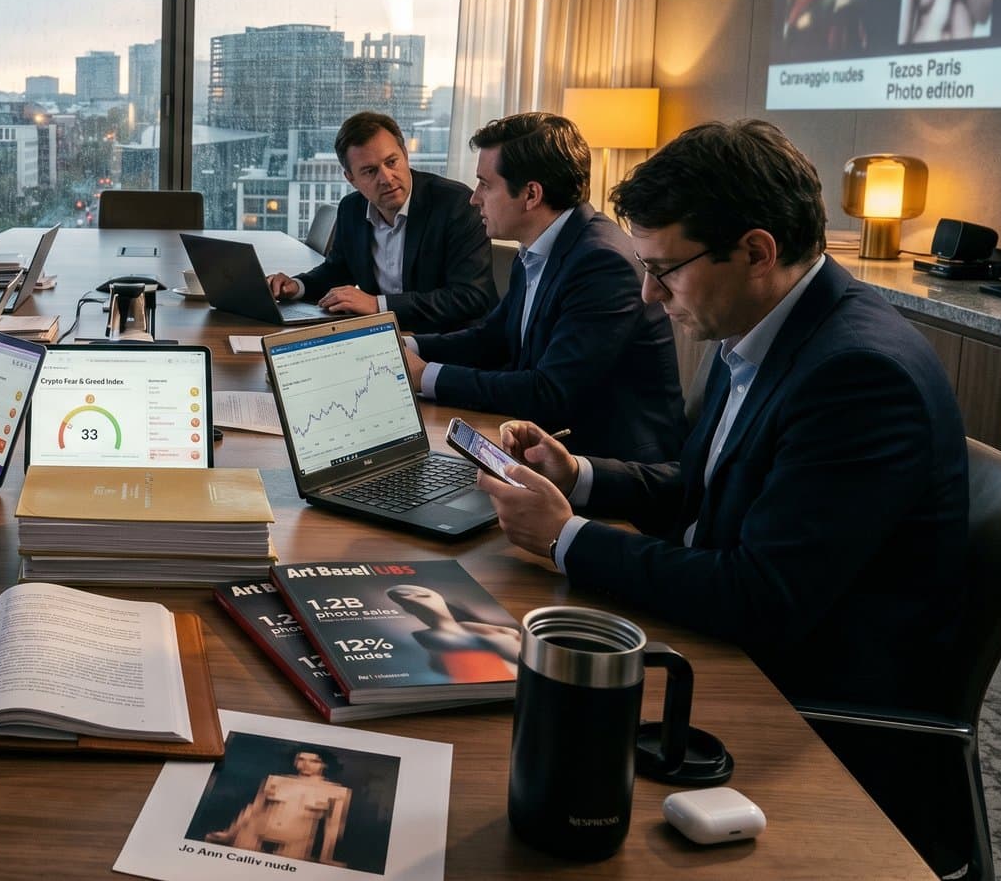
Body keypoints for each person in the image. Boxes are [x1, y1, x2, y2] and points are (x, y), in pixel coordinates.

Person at [478, 119, 970, 876]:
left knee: (513, 741)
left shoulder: (859, 376)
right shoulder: (759, 325)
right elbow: (705, 484)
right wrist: (579, 475)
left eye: (664, 270)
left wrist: (565, 536)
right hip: (735, 647)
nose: (649, 293)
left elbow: (757, 596)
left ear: (757, 252)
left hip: (803, 713)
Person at [402, 113, 683, 462]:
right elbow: (493, 338)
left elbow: (550, 392)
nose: (474, 198)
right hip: (553, 444)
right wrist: (405, 347)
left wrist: (425, 376)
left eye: (485, 185)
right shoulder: (538, 247)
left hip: (613, 465)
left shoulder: (601, 263)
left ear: (531, 194)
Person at [265, 111, 496, 333]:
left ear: (405, 154)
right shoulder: (351, 209)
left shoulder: (456, 205)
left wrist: (378, 305)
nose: (386, 178)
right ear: (351, 179)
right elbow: (337, 270)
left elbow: (470, 297)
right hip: (383, 339)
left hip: (448, 343)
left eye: (391, 162)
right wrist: (296, 286)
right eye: (369, 171)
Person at [207, 748, 350, 865]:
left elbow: (333, 827)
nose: (306, 764)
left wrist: (326, 857)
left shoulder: (336, 791)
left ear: (325, 764)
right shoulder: (276, 780)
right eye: (301, 759)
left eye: (314, 761)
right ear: (294, 761)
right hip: (252, 834)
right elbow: (254, 809)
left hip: (296, 842)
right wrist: (230, 833)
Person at [385, 584, 520, 682]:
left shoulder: (466, 626)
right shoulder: (423, 636)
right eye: (406, 604)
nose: (410, 604)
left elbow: (510, 634)